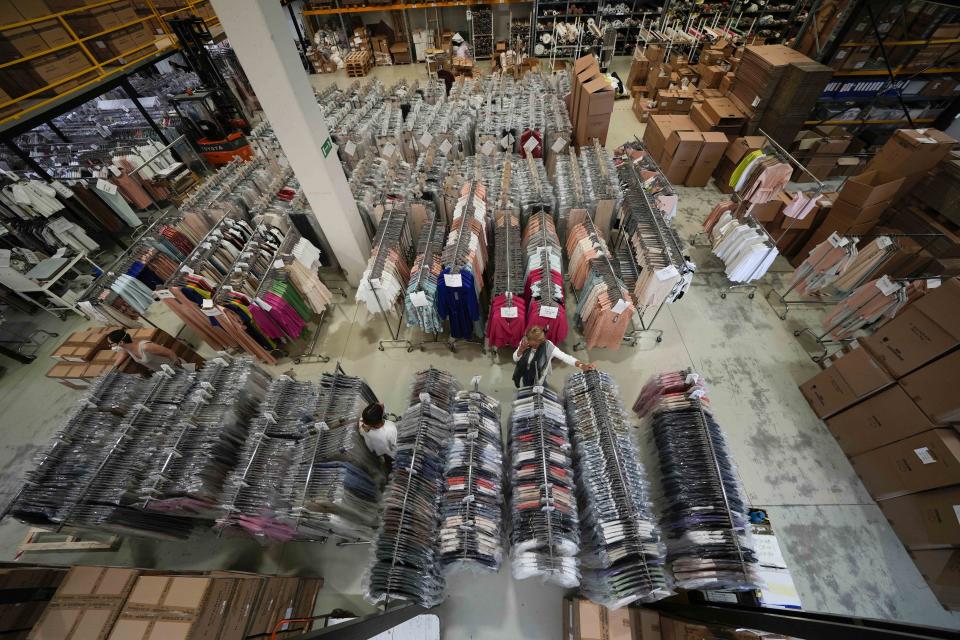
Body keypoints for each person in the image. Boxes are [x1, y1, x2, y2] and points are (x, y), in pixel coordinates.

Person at [512, 326, 594, 388]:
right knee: (526, 388)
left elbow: (565, 357)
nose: (531, 346)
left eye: (535, 344)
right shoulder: (525, 343)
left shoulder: (548, 347)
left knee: (542, 388)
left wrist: (582, 365)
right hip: (525, 374)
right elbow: (515, 358)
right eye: (530, 343)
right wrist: (521, 349)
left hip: (541, 377)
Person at [108, 329, 180, 372]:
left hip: (174, 367)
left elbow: (170, 352)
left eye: (111, 344)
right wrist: (114, 368)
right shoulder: (126, 347)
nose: (110, 346)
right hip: (164, 371)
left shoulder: (145, 347)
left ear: (121, 342)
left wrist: (180, 367)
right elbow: (124, 354)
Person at [359, 402, 397, 468]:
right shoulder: (390, 429)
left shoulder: (365, 427)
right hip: (390, 453)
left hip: (379, 451)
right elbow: (394, 445)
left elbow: (361, 425)